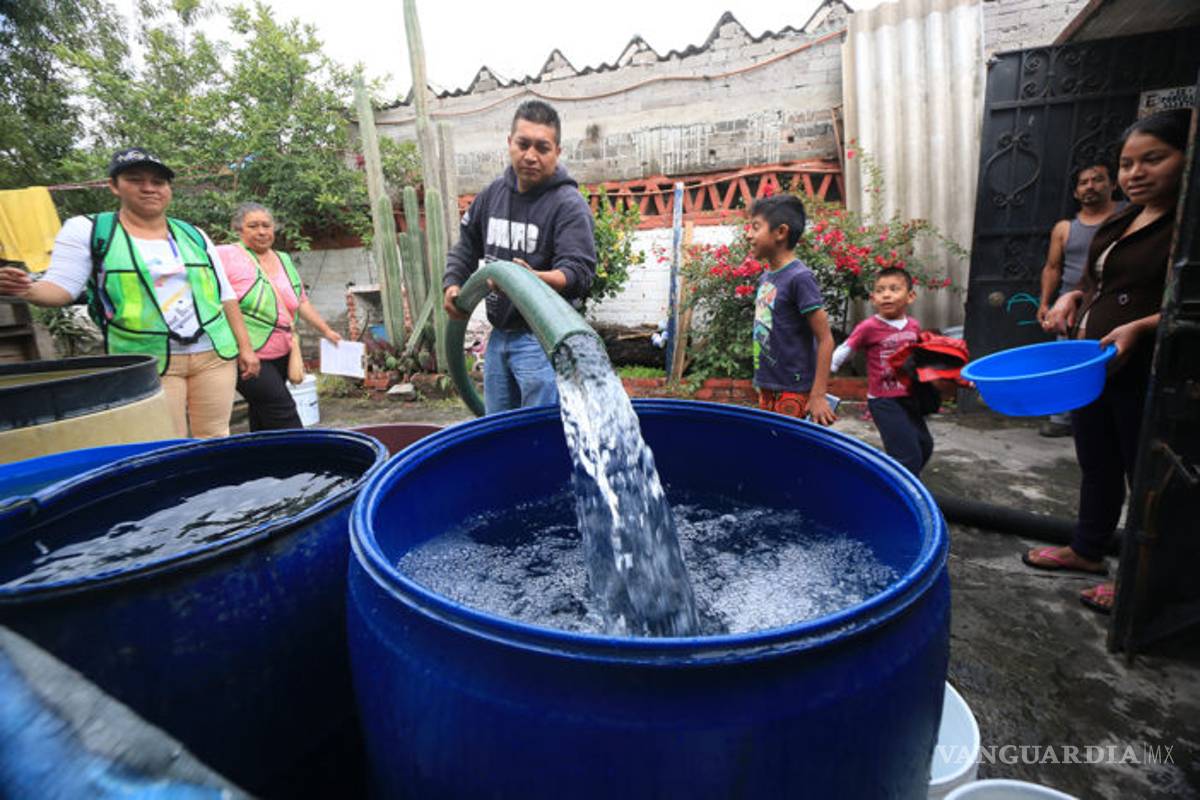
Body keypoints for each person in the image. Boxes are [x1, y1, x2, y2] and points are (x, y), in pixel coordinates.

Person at [1023, 109, 1189, 615]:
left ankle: (1142, 581)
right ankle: (1088, 550)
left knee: (1148, 478)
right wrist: (1074, 299)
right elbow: (1099, 281)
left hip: (1151, 372)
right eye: (1127, 163)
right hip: (1095, 364)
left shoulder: (1185, 226)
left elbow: (1189, 304)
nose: (1135, 173)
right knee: (1097, 463)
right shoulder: (1122, 219)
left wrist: (1141, 327)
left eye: (1152, 159)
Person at [0, 147, 259, 438]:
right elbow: (61, 289)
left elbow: (224, 295)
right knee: (164, 442)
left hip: (214, 353)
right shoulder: (88, 231)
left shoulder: (193, 234)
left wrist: (245, 348)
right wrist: (28, 289)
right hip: (149, 358)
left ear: (168, 189)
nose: (149, 188)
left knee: (215, 436)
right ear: (114, 185)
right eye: (136, 179)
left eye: (158, 182)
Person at [442, 100, 596, 413]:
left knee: (537, 435)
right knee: (496, 430)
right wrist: (454, 282)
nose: (530, 156)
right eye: (523, 144)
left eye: (542, 147)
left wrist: (531, 281)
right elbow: (467, 245)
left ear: (557, 152)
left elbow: (579, 273)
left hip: (542, 342)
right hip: (499, 337)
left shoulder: (568, 204)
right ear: (509, 143)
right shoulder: (492, 194)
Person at [217, 203, 341, 431]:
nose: (261, 231)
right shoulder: (226, 255)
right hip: (248, 356)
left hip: (282, 352)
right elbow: (217, 300)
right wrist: (243, 349)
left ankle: (264, 463)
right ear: (239, 230)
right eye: (253, 226)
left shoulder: (283, 259)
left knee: (263, 414)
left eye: (266, 225)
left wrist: (326, 330)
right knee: (282, 412)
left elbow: (300, 301)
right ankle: (302, 462)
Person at [1035, 162, 1121, 437]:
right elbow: (1052, 267)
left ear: (1113, 185)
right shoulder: (1065, 228)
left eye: (1098, 180)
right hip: (1071, 306)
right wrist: (1045, 303)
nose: (1090, 186)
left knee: (1111, 359)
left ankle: (1108, 417)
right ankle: (1063, 418)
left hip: (1113, 300)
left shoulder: (1127, 216)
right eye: (1084, 182)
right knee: (1067, 361)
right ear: (1075, 192)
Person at [831, 267, 931, 475]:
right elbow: (845, 350)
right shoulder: (868, 327)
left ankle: (903, 482)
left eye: (894, 289)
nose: (886, 294)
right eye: (880, 290)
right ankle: (901, 493)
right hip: (884, 401)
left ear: (910, 296)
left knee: (924, 446)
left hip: (909, 398)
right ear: (873, 298)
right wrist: (825, 372)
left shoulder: (913, 326)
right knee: (907, 455)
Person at [747, 194, 837, 425]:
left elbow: (825, 339)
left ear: (780, 232)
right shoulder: (767, 277)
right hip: (768, 385)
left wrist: (817, 395)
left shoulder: (800, 277)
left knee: (790, 453)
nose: (749, 235)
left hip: (795, 388)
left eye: (756, 227)